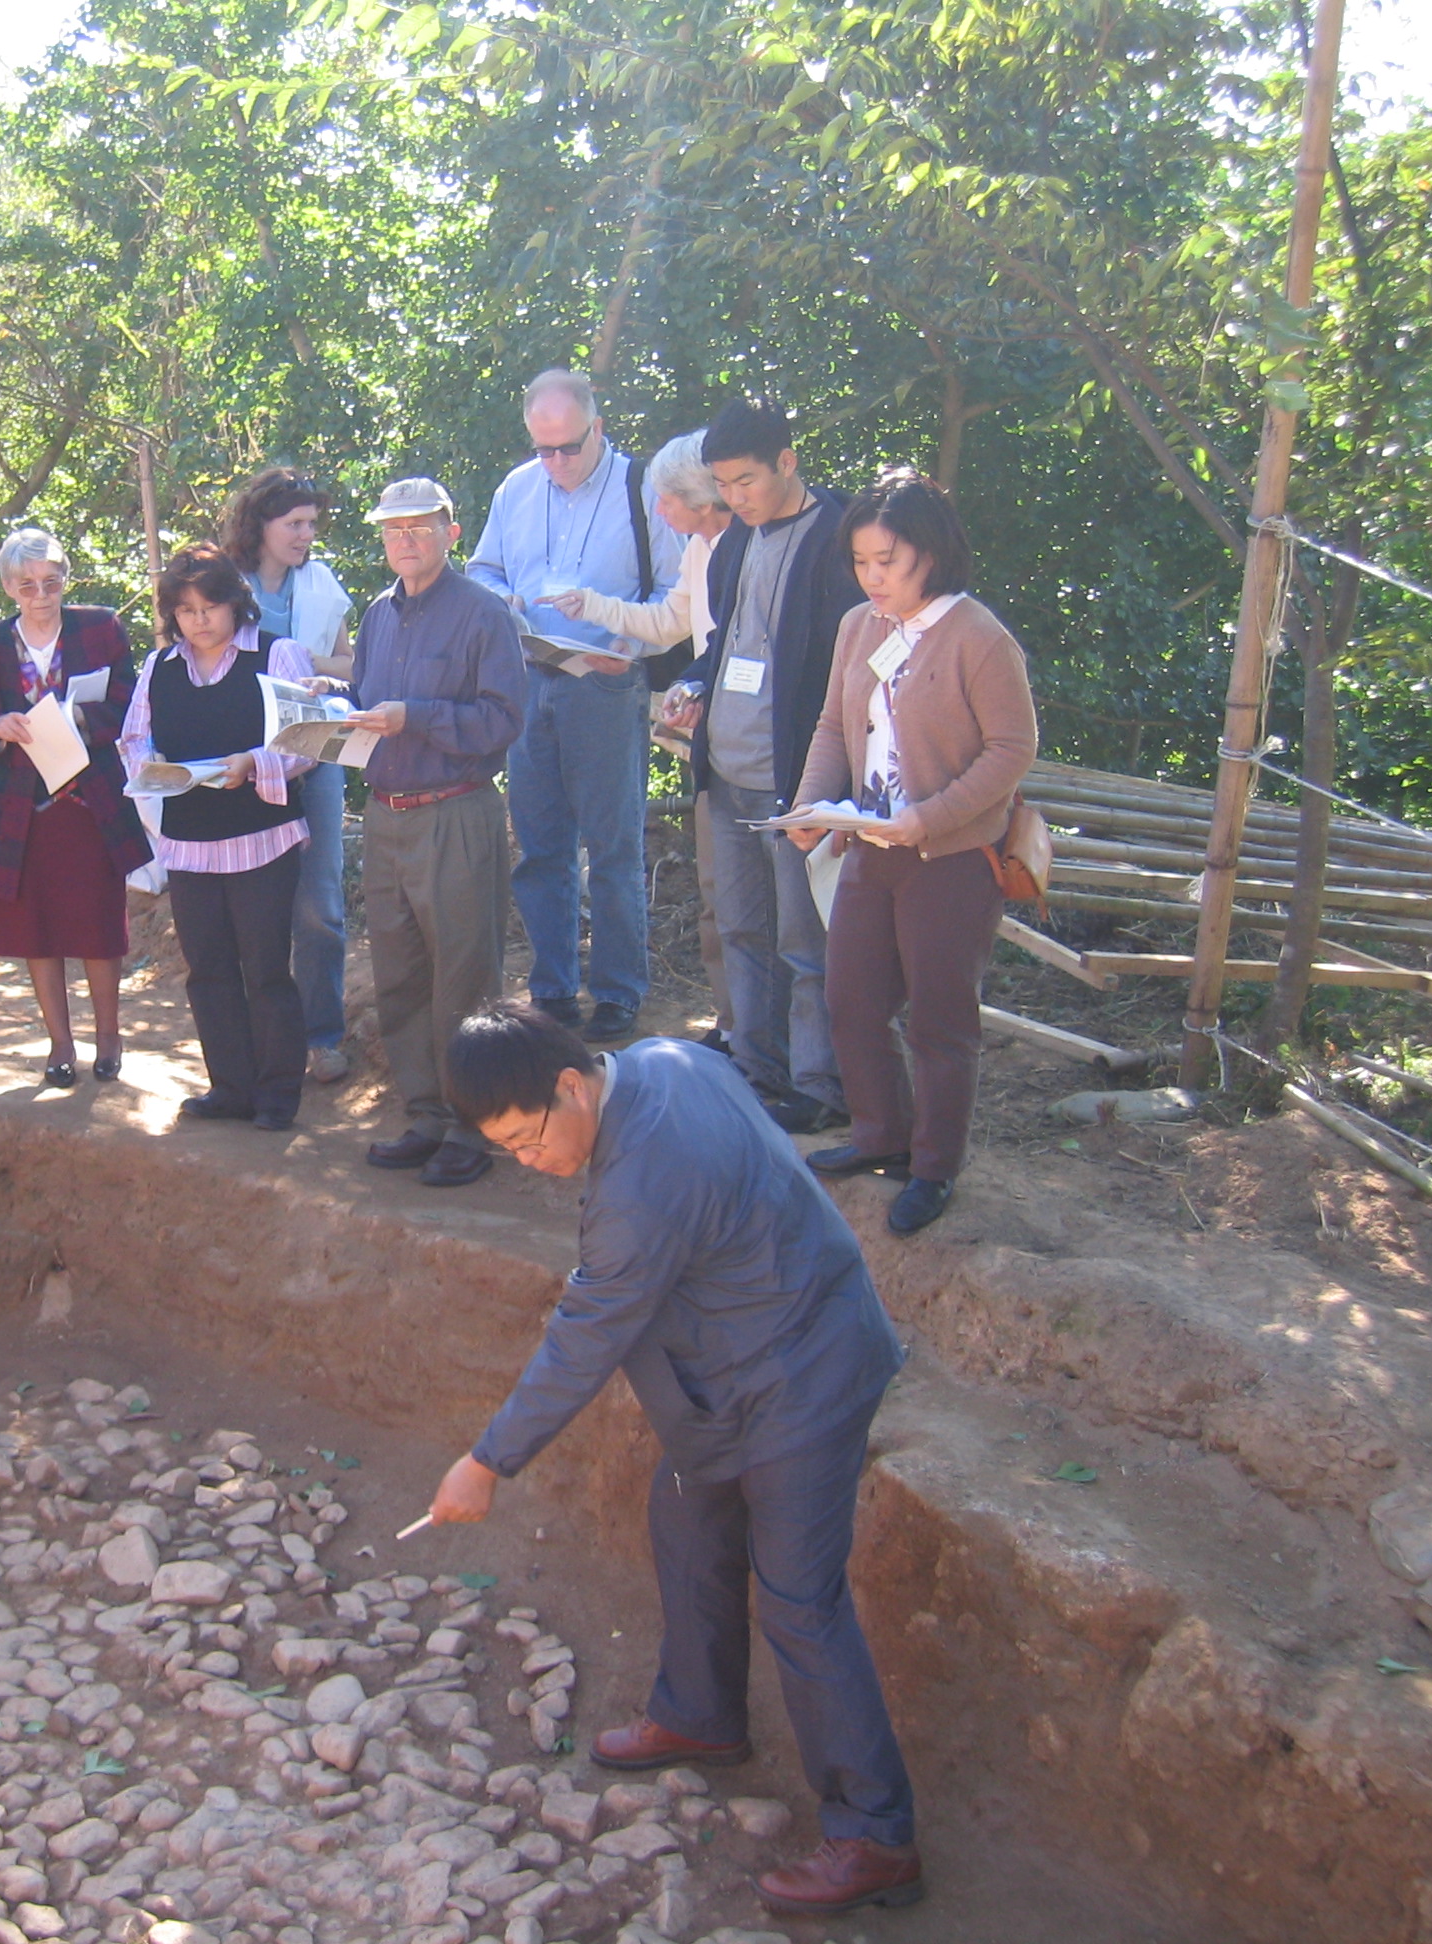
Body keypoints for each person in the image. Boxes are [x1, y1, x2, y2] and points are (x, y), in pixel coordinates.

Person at [427, 1002, 921, 1921]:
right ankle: (701, 1711)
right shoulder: (661, 1060)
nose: (528, 1163)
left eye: (527, 1139)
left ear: (570, 1086)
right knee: (685, 1518)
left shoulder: (641, 1189)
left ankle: (875, 1835)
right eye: (506, 1150)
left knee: (800, 1602)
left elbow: (586, 1337)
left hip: (802, 1373)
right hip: (731, 1364)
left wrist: (487, 1461)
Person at [786, 470, 1038, 1235]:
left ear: (929, 552)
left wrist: (930, 818)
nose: (874, 578)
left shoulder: (978, 637)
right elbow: (833, 727)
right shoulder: (860, 627)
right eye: (862, 562)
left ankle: (933, 1167)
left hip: (955, 857)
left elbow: (1012, 749)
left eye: (887, 560)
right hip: (872, 843)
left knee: (939, 1016)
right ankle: (878, 1136)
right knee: (851, 998)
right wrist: (811, 805)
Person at [468, 369, 681, 1046]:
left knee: (614, 848)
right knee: (539, 846)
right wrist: (500, 601)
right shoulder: (516, 489)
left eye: (568, 447)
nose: (556, 462)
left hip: (607, 682)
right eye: (543, 449)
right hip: (531, 680)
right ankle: (554, 990)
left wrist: (629, 647)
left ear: (599, 427)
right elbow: (484, 570)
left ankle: (618, 994)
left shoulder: (643, 490)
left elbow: (680, 596)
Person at [678, 399, 866, 1133]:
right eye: (723, 484)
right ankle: (756, 1068)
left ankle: (822, 1085)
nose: (735, 497)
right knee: (742, 929)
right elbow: (725, 641)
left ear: (788, 462)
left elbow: (847, 669)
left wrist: (827, 786)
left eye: (746, 480)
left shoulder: (840, 541)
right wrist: (695, 683)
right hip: (726, 775)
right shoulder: (733, 543)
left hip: (796, 785)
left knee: (806, 940)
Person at [346, 479, 527, 1187]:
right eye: (394, 530)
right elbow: (368, 708)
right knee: (399, 976)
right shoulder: (378, 616)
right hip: (387, 814)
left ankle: (473, 1128)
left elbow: (504, 721)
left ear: (454, 533)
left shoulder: (484, 614)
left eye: (422, 528)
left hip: (457, 810)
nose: (406, 541)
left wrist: (414, 716)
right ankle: (425, 1115)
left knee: (466, 978)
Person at [119, 543, 313, 1130]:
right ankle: (229, 1087)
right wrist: (154, 768)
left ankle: (278, 1095)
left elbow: (308, 740)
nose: (199, 620)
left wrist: (253, 763)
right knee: (207, 968)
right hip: (190, 843)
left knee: (267, 968)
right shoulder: (159, 668)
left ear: (235, 603)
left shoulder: (279, 657)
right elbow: (132, 739)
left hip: (262, 840)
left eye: (209, 606)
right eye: (185, 610)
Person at [555, 430, 736, 1052]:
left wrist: (702, 679)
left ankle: (776, 1046)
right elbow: (672, 625)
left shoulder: (755, 546)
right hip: (721, 737)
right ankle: (738, 1028)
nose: (659, 512)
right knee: (722, 898)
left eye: (667, 501)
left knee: (759, 903)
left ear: (701, 498)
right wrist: (594, 607)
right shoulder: (699, 548)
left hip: (763, 744)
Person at [0, 529, 151, 1089]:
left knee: (97, 923)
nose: (42, 595)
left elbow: (128, 700)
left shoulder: (99, 627)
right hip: (24, 806)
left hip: (91, 802)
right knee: (35, 927)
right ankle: (60, 1044)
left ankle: (109, 1036)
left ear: (66, 579)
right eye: (28, 586)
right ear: (9, 588)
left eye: (51, 582)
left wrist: (79, 720)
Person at [220, 467, 356, 1084]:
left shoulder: (322, 585)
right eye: (294, 523)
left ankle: (323, 1037)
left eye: (311, 524)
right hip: (239, 757)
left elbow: (351, 665)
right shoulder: (221, 582)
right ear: (261, 524)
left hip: (316, 752)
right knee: (250, 903)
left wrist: (297, 663)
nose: (306, 535)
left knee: (319, 904)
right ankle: (256, 1037)